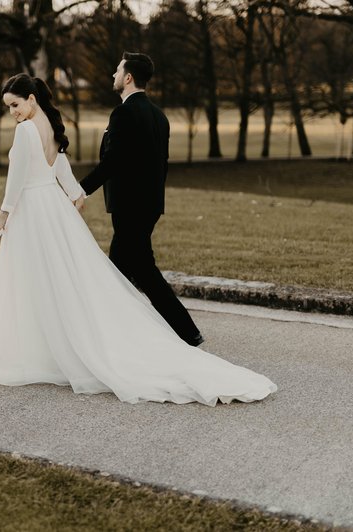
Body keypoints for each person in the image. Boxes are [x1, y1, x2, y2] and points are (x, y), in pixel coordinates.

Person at [0, 73, 275, 406]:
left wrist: (3, 215)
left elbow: (16, 181)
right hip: (53, 208)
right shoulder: (52, 127)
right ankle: (43, 340)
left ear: (31, 99)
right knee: (52, 279)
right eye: (8, 108)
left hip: (31, 210)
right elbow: (62, 172)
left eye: (14, 105)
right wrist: (75, 194)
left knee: (27, 279)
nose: (12, 112)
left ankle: (34, 346)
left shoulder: (27, 129)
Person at [80, 52, 203, 347]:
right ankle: (180, 332)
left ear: (129, 77)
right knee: (132, 269)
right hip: (148, 206)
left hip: (129, 207)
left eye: (117, 70)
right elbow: (162, 165)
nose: (113, 75)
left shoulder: (123, 113)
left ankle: (180, 332)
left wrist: (80, 189)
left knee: (129, 271)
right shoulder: (159, 116)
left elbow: (113, 161)